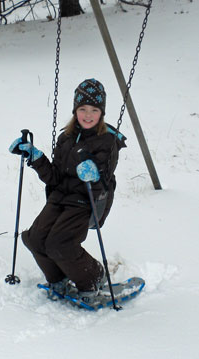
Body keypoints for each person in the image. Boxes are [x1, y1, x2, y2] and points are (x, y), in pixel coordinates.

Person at [9, 78, 126, 301]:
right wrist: (35, 157)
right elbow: (55, 177)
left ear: (102, 112)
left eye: (94, 109)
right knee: (34, 239)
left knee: (59, 244)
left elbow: (103, 185)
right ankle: (58, 278)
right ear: (75, 110)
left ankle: (93, 276)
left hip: (86, 202)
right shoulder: (66, 137)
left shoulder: (108, 141)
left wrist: (93, 178)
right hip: (60, 198)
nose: (88, 114)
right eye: (82, 109)